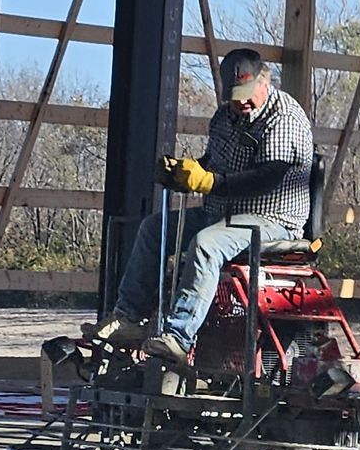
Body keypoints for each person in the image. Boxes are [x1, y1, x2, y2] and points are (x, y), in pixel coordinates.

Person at [86, 46, 314, 363]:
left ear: (265, 81)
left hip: (271, 218)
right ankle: (128, 317)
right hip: (221, 213)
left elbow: (270, 175)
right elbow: (213, 162)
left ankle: (178, 336)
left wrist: (211, 182)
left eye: (247, 94)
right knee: (152, 229)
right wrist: (184, 171)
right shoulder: (223, 117)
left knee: (206, 244)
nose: (241, 103)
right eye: (234, 96)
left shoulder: (284, 116)